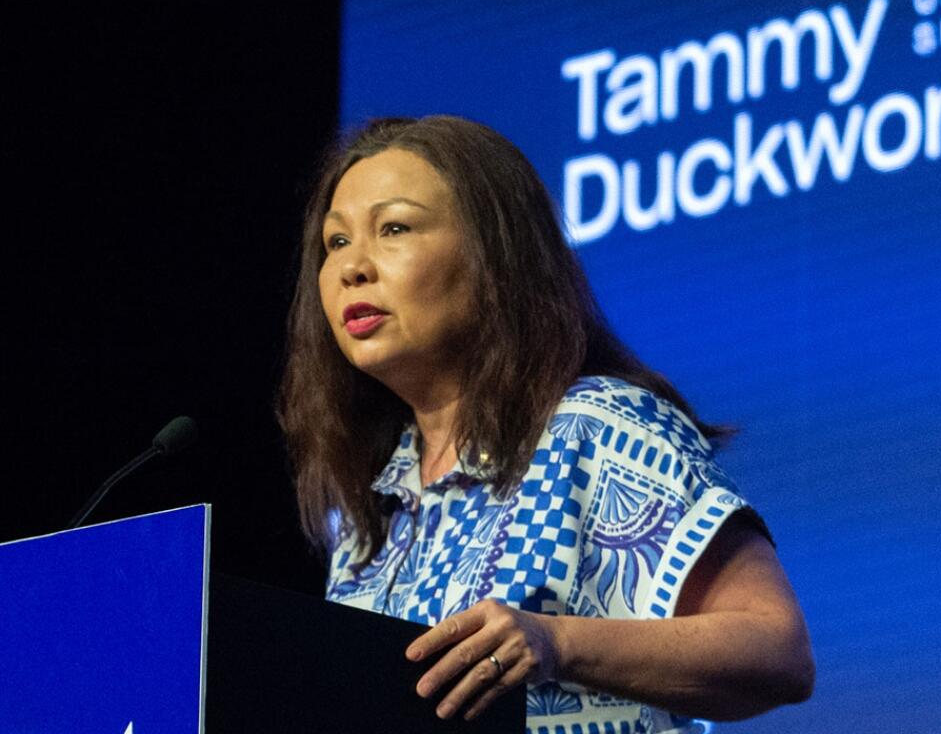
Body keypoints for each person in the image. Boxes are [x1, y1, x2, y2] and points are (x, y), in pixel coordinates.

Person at [277, 116, 814, 732]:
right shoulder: (369, 517)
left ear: (495, 255)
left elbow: (777, 650)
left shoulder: (595, 428)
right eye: (335, 243)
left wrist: (555, 641)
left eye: (394, 228)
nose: (351, 268)